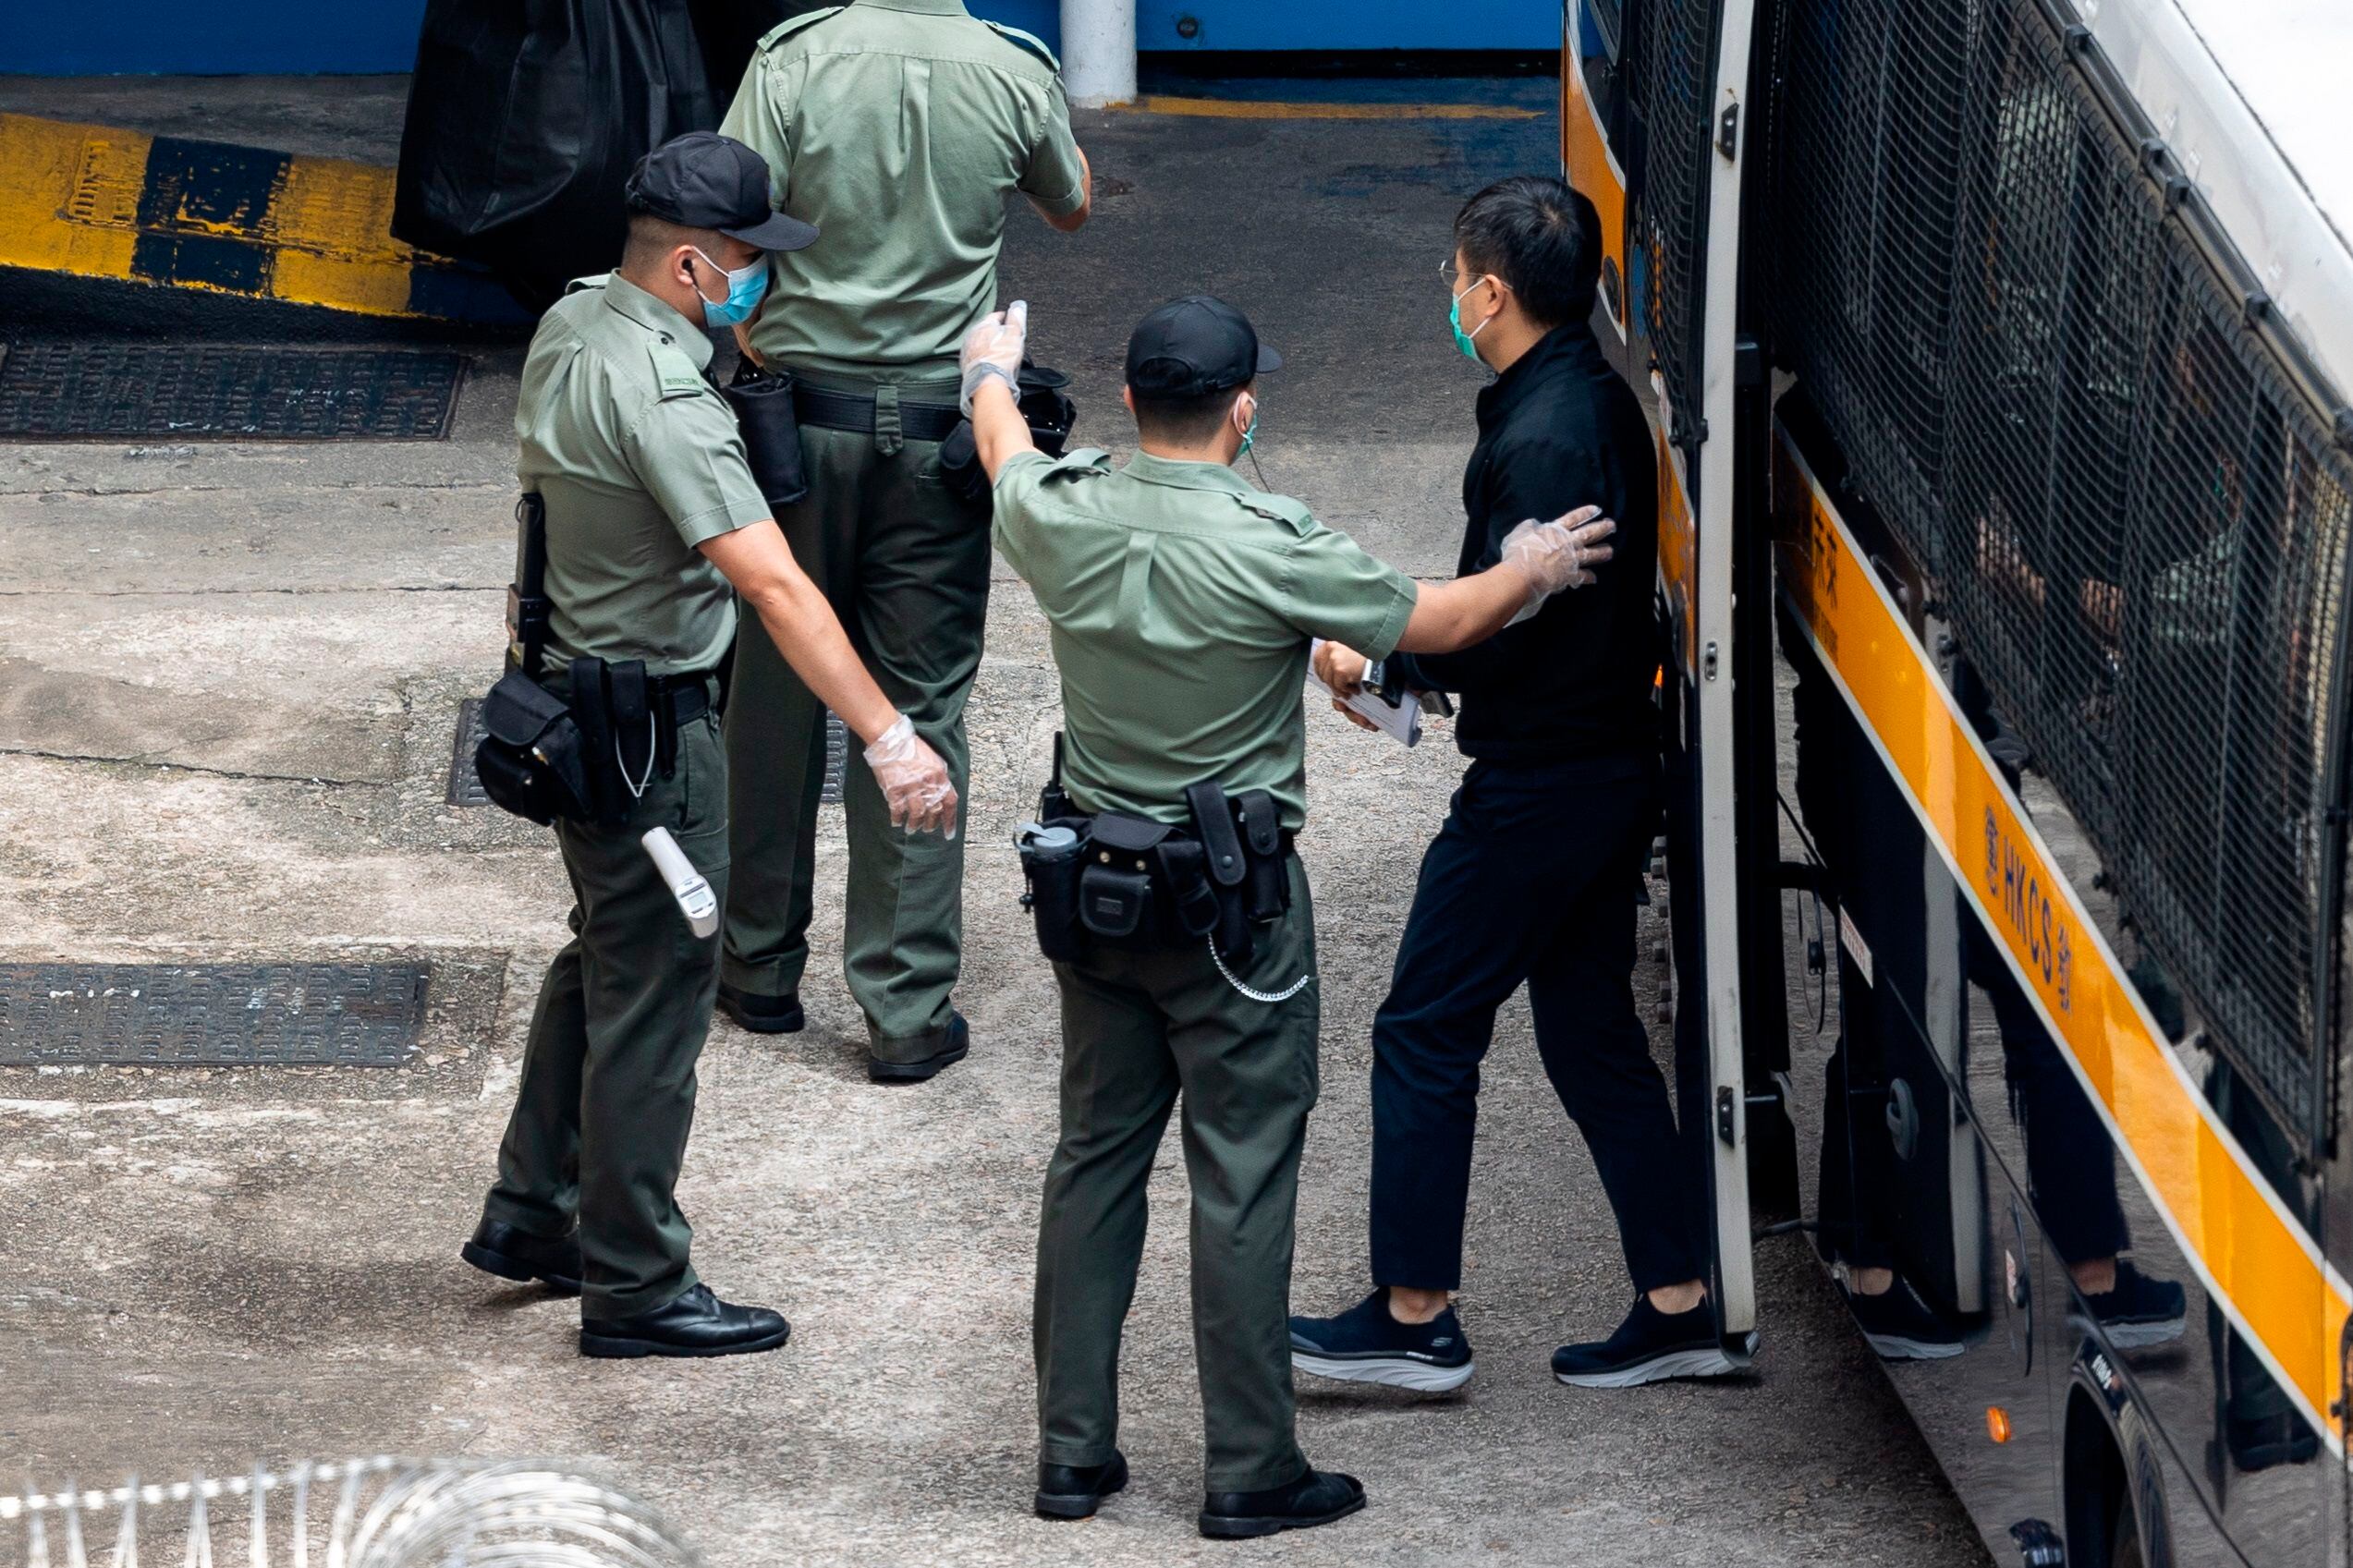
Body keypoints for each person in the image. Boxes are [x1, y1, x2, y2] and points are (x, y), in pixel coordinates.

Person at [963, 294, 1617, 1534]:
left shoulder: (1060, 508)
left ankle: (1071, 1454)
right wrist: (1528, 567)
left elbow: (1001, 444)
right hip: (1231, 914)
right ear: (1243, 407)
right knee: (1242, 1176)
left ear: (1129, 400)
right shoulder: (1271, 538)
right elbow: (1437, 620)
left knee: (1093, 1161)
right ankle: (1250, 1468)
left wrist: (986, 369)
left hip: (1093, 895)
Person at [458, 132, 957, 1358]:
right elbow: (777, 589)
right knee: (657, 999)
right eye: (747, 262)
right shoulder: (670, 399)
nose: (761, 283)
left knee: (606, 952)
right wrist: (889, 738)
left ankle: (535, 1208)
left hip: (570, 698)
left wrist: (733, 356)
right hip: (652, 741)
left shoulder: (580, 324)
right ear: (689, 263)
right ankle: (633, 1281)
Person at [1287, 175, 1730, 1392]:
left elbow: (1509, 626)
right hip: (1593, 765)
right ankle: (1680, 1297)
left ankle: (1414, 1312)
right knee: (1588, 1032)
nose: (1449, 296)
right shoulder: (1576, 396)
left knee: (1424, 1023)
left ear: (1490, 291)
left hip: (1542, 784)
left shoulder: (1545, 436)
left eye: (1452, 278)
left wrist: (1378, 653)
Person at [712, 0, 1093, 1082]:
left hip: (796, 429)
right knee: (922, 701)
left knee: (777, 692)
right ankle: (906, 1008)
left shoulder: (793, 57)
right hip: (943, 437)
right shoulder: (1009, 67)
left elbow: (729, 207)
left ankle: (754, 967)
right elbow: (1069, 204)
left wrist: (753, 323)